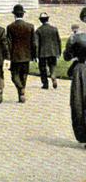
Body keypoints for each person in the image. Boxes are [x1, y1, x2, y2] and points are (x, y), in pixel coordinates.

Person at [63, 11, 86, 148]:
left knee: (79, 102)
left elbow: (67, 56)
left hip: (82, 69)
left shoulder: (76, 37)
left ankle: (83, 134)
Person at [6, 4, 36, 103]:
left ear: (14, 15)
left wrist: (8, 56)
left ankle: (20, 89)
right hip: (27, 55)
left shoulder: (10, 27)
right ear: (23, 14)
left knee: (14, 75)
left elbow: (9, 43)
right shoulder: (30, 27)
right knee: (24, 75)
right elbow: (34, 43)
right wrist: (34, 55)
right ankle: (21, 92)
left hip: (15, 56)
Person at [35, 13, 61, 90]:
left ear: (40, 20)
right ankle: (53, 76)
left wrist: (36, 54)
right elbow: (58, 41)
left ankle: (45, 84)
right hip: (53, 51)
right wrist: (59, 52)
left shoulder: (38, 30)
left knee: (43, 68)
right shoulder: (54, 29)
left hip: (42, 53)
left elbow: (36, 44)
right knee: (52, 65)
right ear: (48, 19)